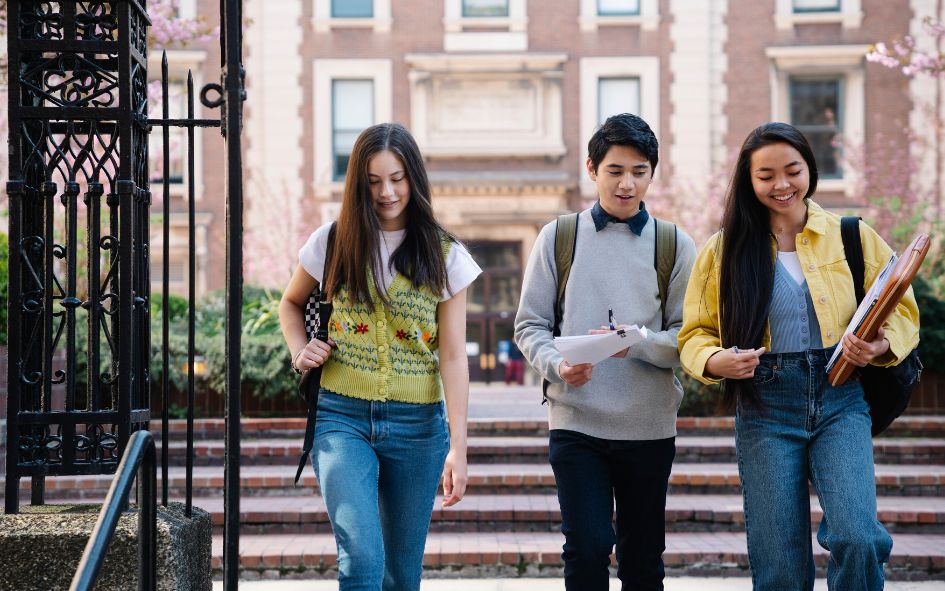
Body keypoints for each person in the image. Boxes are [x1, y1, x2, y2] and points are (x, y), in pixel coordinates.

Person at [678, 122, 920, 591]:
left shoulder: (852, 234)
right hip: (765, 407)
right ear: (748, 182)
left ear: (810, 168)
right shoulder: (723, 251)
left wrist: (880, 346)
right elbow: (694, 334)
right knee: (781, 567)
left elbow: (903, 310)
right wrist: (715, 361)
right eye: (765, 175)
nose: (781, 184)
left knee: (858, 537)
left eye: (793, 170)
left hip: (841, 397)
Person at [278, 122, 481, 591]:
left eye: (397, 178)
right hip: (341, 418)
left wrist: (459, 446)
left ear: (414, 178)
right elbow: (290, 303)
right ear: (357, 185)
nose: (387, 192)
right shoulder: (332, 242)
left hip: (419, 428)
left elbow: (452, 357)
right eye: (372, 182)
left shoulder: (445, 255)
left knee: (402, 575)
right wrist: (299, 351)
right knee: (362, 562)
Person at [514, 113, 696, 591]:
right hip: (577, 420)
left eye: (639, 170)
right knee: (588, 546)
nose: (627, 183)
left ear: (652, 173)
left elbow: (689, 338)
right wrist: (558, 363)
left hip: (649, 425)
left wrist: (636, 341)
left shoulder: (674, 244)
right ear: (592, 169)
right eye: (615, 170)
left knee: (642, 559)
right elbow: (529, 325)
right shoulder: (559, 237)